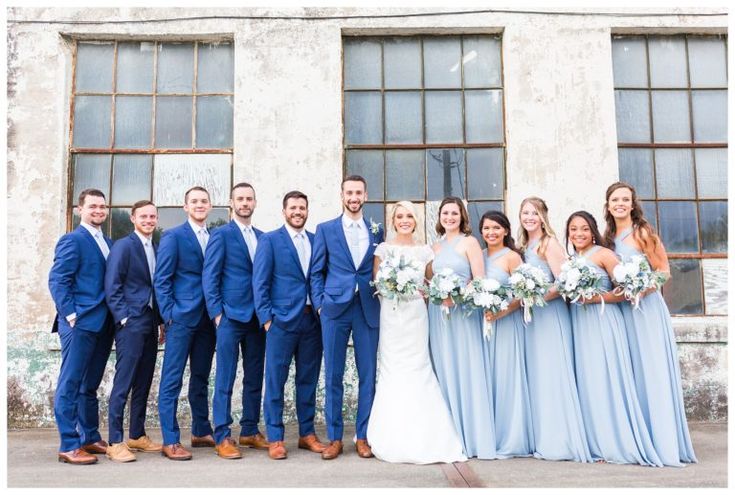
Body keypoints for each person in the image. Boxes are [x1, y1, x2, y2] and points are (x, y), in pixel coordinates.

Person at [604, 182, 697, 466]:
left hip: (647, 310)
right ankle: (638, 439)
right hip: (623, 314)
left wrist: (640, 290)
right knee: (632, 374)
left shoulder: (643, 233)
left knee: (652, 371)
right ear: (608, 205)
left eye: (625, 200)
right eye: (614, 199)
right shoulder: (607, 237)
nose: (620, 204)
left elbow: (663, 272)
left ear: (633, 205)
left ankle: (663, 443)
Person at [366, 201, 466, 464]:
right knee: (392, 369)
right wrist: (392, 290)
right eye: (400, 216)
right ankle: (390, 432)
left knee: (419, 367)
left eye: (409, 215)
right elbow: (377, 283)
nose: (405, 220)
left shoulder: (425, 252)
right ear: (393, 221)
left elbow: (430, 285)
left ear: (416, 220)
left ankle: (428, 433)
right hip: (391, 316)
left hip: (416, 317)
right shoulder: (384, 250)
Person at [565, 211, 661, 466]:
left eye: (584, 229)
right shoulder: (573, 259)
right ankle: (597, 443)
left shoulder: (604, 254)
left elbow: (626, 290)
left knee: (607, 379)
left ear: (593, 230)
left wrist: (597, 298)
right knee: (589, 382)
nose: (578, 234)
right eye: (573, 229)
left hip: (604, 322)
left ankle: (617, 444)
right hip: (581, 325)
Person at [311, 175, 384, 460]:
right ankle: (335, 437)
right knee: (334, 374)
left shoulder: (376, 230)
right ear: (342, 195)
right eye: (349, 192)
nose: (354, 197)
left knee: (368, 375)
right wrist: (320, 305)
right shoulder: (326, 229)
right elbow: (316, 271)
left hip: (367, 308)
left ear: (366, 196)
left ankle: (362, 436)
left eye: (358, 193)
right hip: (334, 310)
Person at [516, 198, 591, 462]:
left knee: (553, 373)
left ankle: (561, 442)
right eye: (525, 213)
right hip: (533, 319)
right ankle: (543, 436)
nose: (529, 217)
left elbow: (563, 285)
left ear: (543, 216)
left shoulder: (549, 244)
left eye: (534, 213)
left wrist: (534, 297)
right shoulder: (525, 247)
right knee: (538, 375)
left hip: (551, 316)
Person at [253, 191, 326, 460]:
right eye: (293, 207)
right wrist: (267, 320)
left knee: (308, 379)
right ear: (284, 211)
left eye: (302, 208)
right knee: (275, 380)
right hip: (281, 322)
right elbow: (260, 282)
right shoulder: (270, 240)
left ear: (307, 211)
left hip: (312, 322)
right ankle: (275, 437)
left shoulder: (317, 240)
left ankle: (307, 434)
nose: (298, 212)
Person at [48, 188, 115, 464]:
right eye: (92, 207)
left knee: (90, 384)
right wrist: (71, 315)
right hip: (80, 322)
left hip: (103, 323)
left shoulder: (108, 241)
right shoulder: (72, 240)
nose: (98, 211)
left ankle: (89, 436)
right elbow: (58, 280)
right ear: (80, 210)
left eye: (102, 207)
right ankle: (69, 444)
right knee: (71, 383)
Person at [203, 183, 269, 460]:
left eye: (249, 199)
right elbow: (210, 276)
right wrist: (217, 313)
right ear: (231, 203)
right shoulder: (221, 234)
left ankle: (250, 430)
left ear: (255, 202)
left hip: (258, 318)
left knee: (254, 378)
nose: (245, 203)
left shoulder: (264, 237)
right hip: (230, 317)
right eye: (240, 199)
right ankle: (222, 434)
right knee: (226, 378)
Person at [427, 197, 496, 459]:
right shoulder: (434, 246)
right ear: (440, 216)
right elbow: (428, 281)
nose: (450, 217)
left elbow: (479, 280)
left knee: (466, 368)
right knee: (443, 368)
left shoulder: (470, 242)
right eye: (445, 213)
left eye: (454, 213)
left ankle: (472, 437)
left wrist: (456, 296)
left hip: (463, 313)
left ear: (462, 216)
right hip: (439, 314)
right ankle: (448, 435)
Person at [154, 186, 217, 461]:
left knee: (201, 377)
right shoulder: (173, 236)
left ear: (210, 206)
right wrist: (169, 315)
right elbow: (162, 279)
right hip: (181, 319)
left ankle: (201, 430)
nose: (199, 205)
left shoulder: (215, 236)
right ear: (185, 206)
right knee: (172, 379)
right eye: (194, 201)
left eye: (204, 201)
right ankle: (170, 439)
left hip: (208, 319)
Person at [104, 200, 164, 462]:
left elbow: (156, 287)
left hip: (150, 323)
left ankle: (136, 435)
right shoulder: (124, 245)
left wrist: (160, 321)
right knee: (124, 382)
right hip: (131, 323)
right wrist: (123, 319)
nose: (149, 220)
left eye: (152, 216)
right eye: (144, 216)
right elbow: (112, 284)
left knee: (143, 382)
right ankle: (115, 440)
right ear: (132, 218)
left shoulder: (155, 246)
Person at [481, 211, 534, 458]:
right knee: (487, 379)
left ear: (505, 231)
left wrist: (503, 310)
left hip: (506, 324)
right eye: (486, 228)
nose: (491, 232)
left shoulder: (512, 257)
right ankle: (488, 434)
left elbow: (525, 292)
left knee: (506, 377)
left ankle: (510, 437)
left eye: (496, 228)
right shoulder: (479, 256)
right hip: (482, 326)